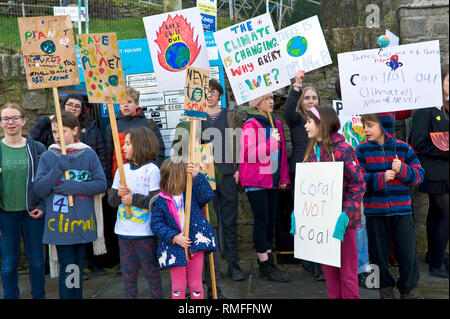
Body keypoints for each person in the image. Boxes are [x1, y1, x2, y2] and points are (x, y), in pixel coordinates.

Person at [172, 79, 244, 282]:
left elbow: (240, 143)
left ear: (220, 94)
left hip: (228, 174)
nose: (209, 95)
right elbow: (180, 149)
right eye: (206, 92)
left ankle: (233, 263)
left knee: (229, 221)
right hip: (203, 178)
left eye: (213, 92)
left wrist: (239, 169)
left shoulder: (231, 117)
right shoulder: (195, 120)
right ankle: (210, 265)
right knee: (206, 222)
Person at [30, 93, 108, 276]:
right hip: (60, 225)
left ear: (74, 131)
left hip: (82, 222)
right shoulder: (49, 156)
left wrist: (73, 187)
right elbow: (40, 189)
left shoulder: (88, 154)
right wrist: (58, 168)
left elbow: (101, 184)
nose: (57, 136)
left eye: (62, 131)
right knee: (67, 269)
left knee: (77, 269)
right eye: (55, 132)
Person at [356, 112, 424, 299]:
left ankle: (408, 290)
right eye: (364, 125)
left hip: (402, 211)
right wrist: (380, 178)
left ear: (384, 126)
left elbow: (419, 175)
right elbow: (357, 180)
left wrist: (403, 170)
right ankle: (384, 289)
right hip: (375, 212)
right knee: (378, 255)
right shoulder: (361, 150)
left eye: (370, 125)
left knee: (408, 253)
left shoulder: (403, 149)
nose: (366, 129)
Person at [301, 105, 365, 299]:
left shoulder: (344, 150)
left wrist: (345, 214)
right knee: (331, 277)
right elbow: (307, 189)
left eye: (309, 122)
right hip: (323, 225)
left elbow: (358, 184)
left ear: (323, 124)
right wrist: (300, 213)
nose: (305, 126)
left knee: (347, 276)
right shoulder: (313, 152)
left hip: (344, 224)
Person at [104, 86, 165, 271]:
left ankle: (150, 258)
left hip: (145, 179)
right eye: (122, 103)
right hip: (120, 177)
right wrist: (109, 182)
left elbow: (159, 151)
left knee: (147, 217)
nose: (125, 106)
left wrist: (154, 170)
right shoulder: (112, 125)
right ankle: (127, 261)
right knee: (122, 218)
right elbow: (107, 154)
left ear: (137, 103)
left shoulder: (148, 123)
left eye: (129, 102)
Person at [239, 93, 291, 282]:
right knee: (262, 220)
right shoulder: (250, 124)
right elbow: (248, 154)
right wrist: (271, 144)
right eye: (265, 99)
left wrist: (283, 177)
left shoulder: (276, 123)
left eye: (271, 99)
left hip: (273, 180)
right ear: (257, 103)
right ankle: (263, 263)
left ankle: (268, 260)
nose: (270, 102)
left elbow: (283, 154)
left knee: (271, 222)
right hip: (256, 181)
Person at [107, 127, 163, 299]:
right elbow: (111, 202)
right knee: (128, 272)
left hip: (145, 232)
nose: (123, 147)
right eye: (124, 143)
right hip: (124, 232)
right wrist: (118, 195)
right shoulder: (121, 171)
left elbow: (156, 202)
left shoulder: (152, 170)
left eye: (128, 144)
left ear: (140, 145)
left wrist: (134, 200)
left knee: (150, 271)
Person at [151, 158, 217, 299]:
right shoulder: (161, 200)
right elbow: (156, 224)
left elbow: (208, 195)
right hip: (175, 247)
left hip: (195, 246)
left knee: (195, 284)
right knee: (178, 287)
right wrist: (174, 237)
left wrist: (197, 176)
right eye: (184, 174)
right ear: (174, 177)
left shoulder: (191, 193)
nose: (186, 177)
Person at [0, 103, 47, 299]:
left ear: (23, 121)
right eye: (6, 119)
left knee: (36, 260)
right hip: (5, 213)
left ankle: (39, 296)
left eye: (15, 118)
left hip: (32, 212)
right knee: (9, 261)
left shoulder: (36, 148)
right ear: (1, 123)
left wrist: (43, 206)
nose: (11, 122)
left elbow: (47, 182)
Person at [283, 70, 324, 280]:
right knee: (303, 215)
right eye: (307, 98)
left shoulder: (325, 118)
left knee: (319, 216)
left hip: (321, 171)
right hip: (301, 170)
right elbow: (288, 110)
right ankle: (307, 258)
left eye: (313, 98)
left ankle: (318, 263)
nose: (310, 101)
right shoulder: (297, 119)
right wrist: (297, 85)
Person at [411, 64, 449, 279]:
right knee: (445, 215)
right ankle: (437, 265)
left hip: (444, 170)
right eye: (448, 80)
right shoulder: (425, 109)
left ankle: (435, 255)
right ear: (439, 82)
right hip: (434, 171)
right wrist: (445, 151)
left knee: (436, 214)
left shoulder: (445, 108)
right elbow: (420, 142)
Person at [334, 78, 372, 288]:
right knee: (355, 224)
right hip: (346, 173)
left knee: (360, 223)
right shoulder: (337, 113)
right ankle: (356, 268)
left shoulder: (369, 108)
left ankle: (363, 267)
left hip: (367, 169)